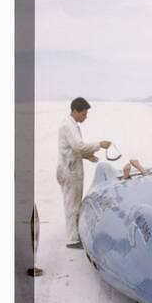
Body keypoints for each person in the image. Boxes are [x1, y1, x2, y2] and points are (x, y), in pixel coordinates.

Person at [57, 97, 111, 248]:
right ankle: (72, 239)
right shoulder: (68, 126)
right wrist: (99, 144)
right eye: (83, 114)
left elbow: (73, 148)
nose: (85, 117)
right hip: (69, 170)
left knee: (73, 203)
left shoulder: (72, 124)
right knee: (72, 205)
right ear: (75, 111)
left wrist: (87, 156)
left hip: (70, 167)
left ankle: (74, 235)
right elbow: (78, 146)